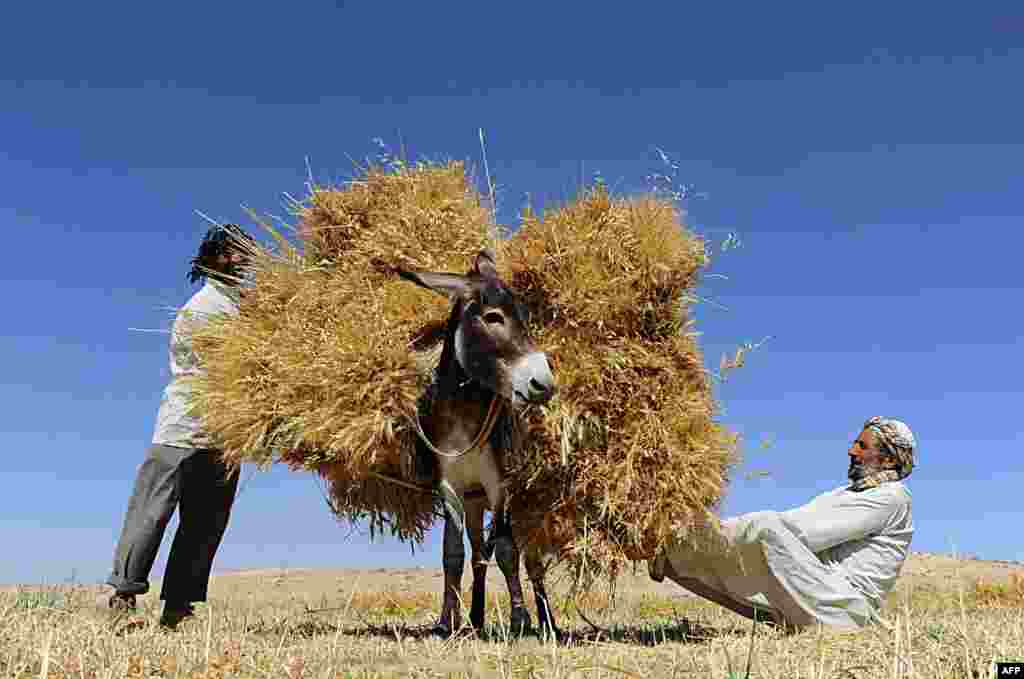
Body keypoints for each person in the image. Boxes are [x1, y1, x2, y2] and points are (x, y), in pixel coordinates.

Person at [101, 224, 254, 629]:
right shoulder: (204, 309)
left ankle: (179, 607)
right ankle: (124, 596)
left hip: (226, 434)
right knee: (152, 513)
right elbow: (223, 368)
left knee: (205, 522)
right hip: (184, 428)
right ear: (219, 258)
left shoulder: (242, 306)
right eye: (240, 252)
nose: (248, 259)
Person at [649, 416, 916, 632]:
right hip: (817, 594)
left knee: (765, 528)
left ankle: (675, 537)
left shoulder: (892, 496)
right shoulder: (843, 494)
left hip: (842, 609)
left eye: (862, 446)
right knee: (682, 558)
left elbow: (800, 533)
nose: (851, 451)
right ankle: (664, 548)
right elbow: (793, 528)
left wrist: (704, 528)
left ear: (889, 460)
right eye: (854, 444)